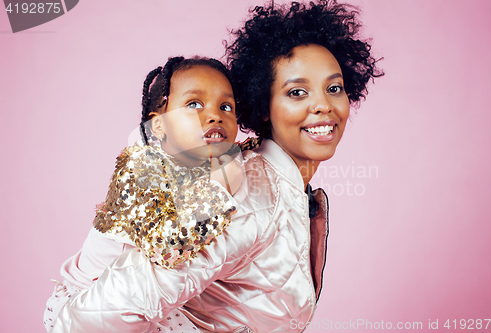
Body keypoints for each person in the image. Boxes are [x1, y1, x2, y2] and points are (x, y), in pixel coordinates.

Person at [48, 1, 382, 332]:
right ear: (264, 106)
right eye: (297, 92)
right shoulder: (246, 194)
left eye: (334, 88)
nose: (323, 104)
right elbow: (86, 320)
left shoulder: (274, 182)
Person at [44, 56, 243, 332]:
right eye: (194, 104)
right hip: (88, 304)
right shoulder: (140, 169)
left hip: (141, 298)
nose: (215, 115)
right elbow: (169, 248)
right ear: (158, 125)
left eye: (226, 106)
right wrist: (219, 192)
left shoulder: (195, 159)